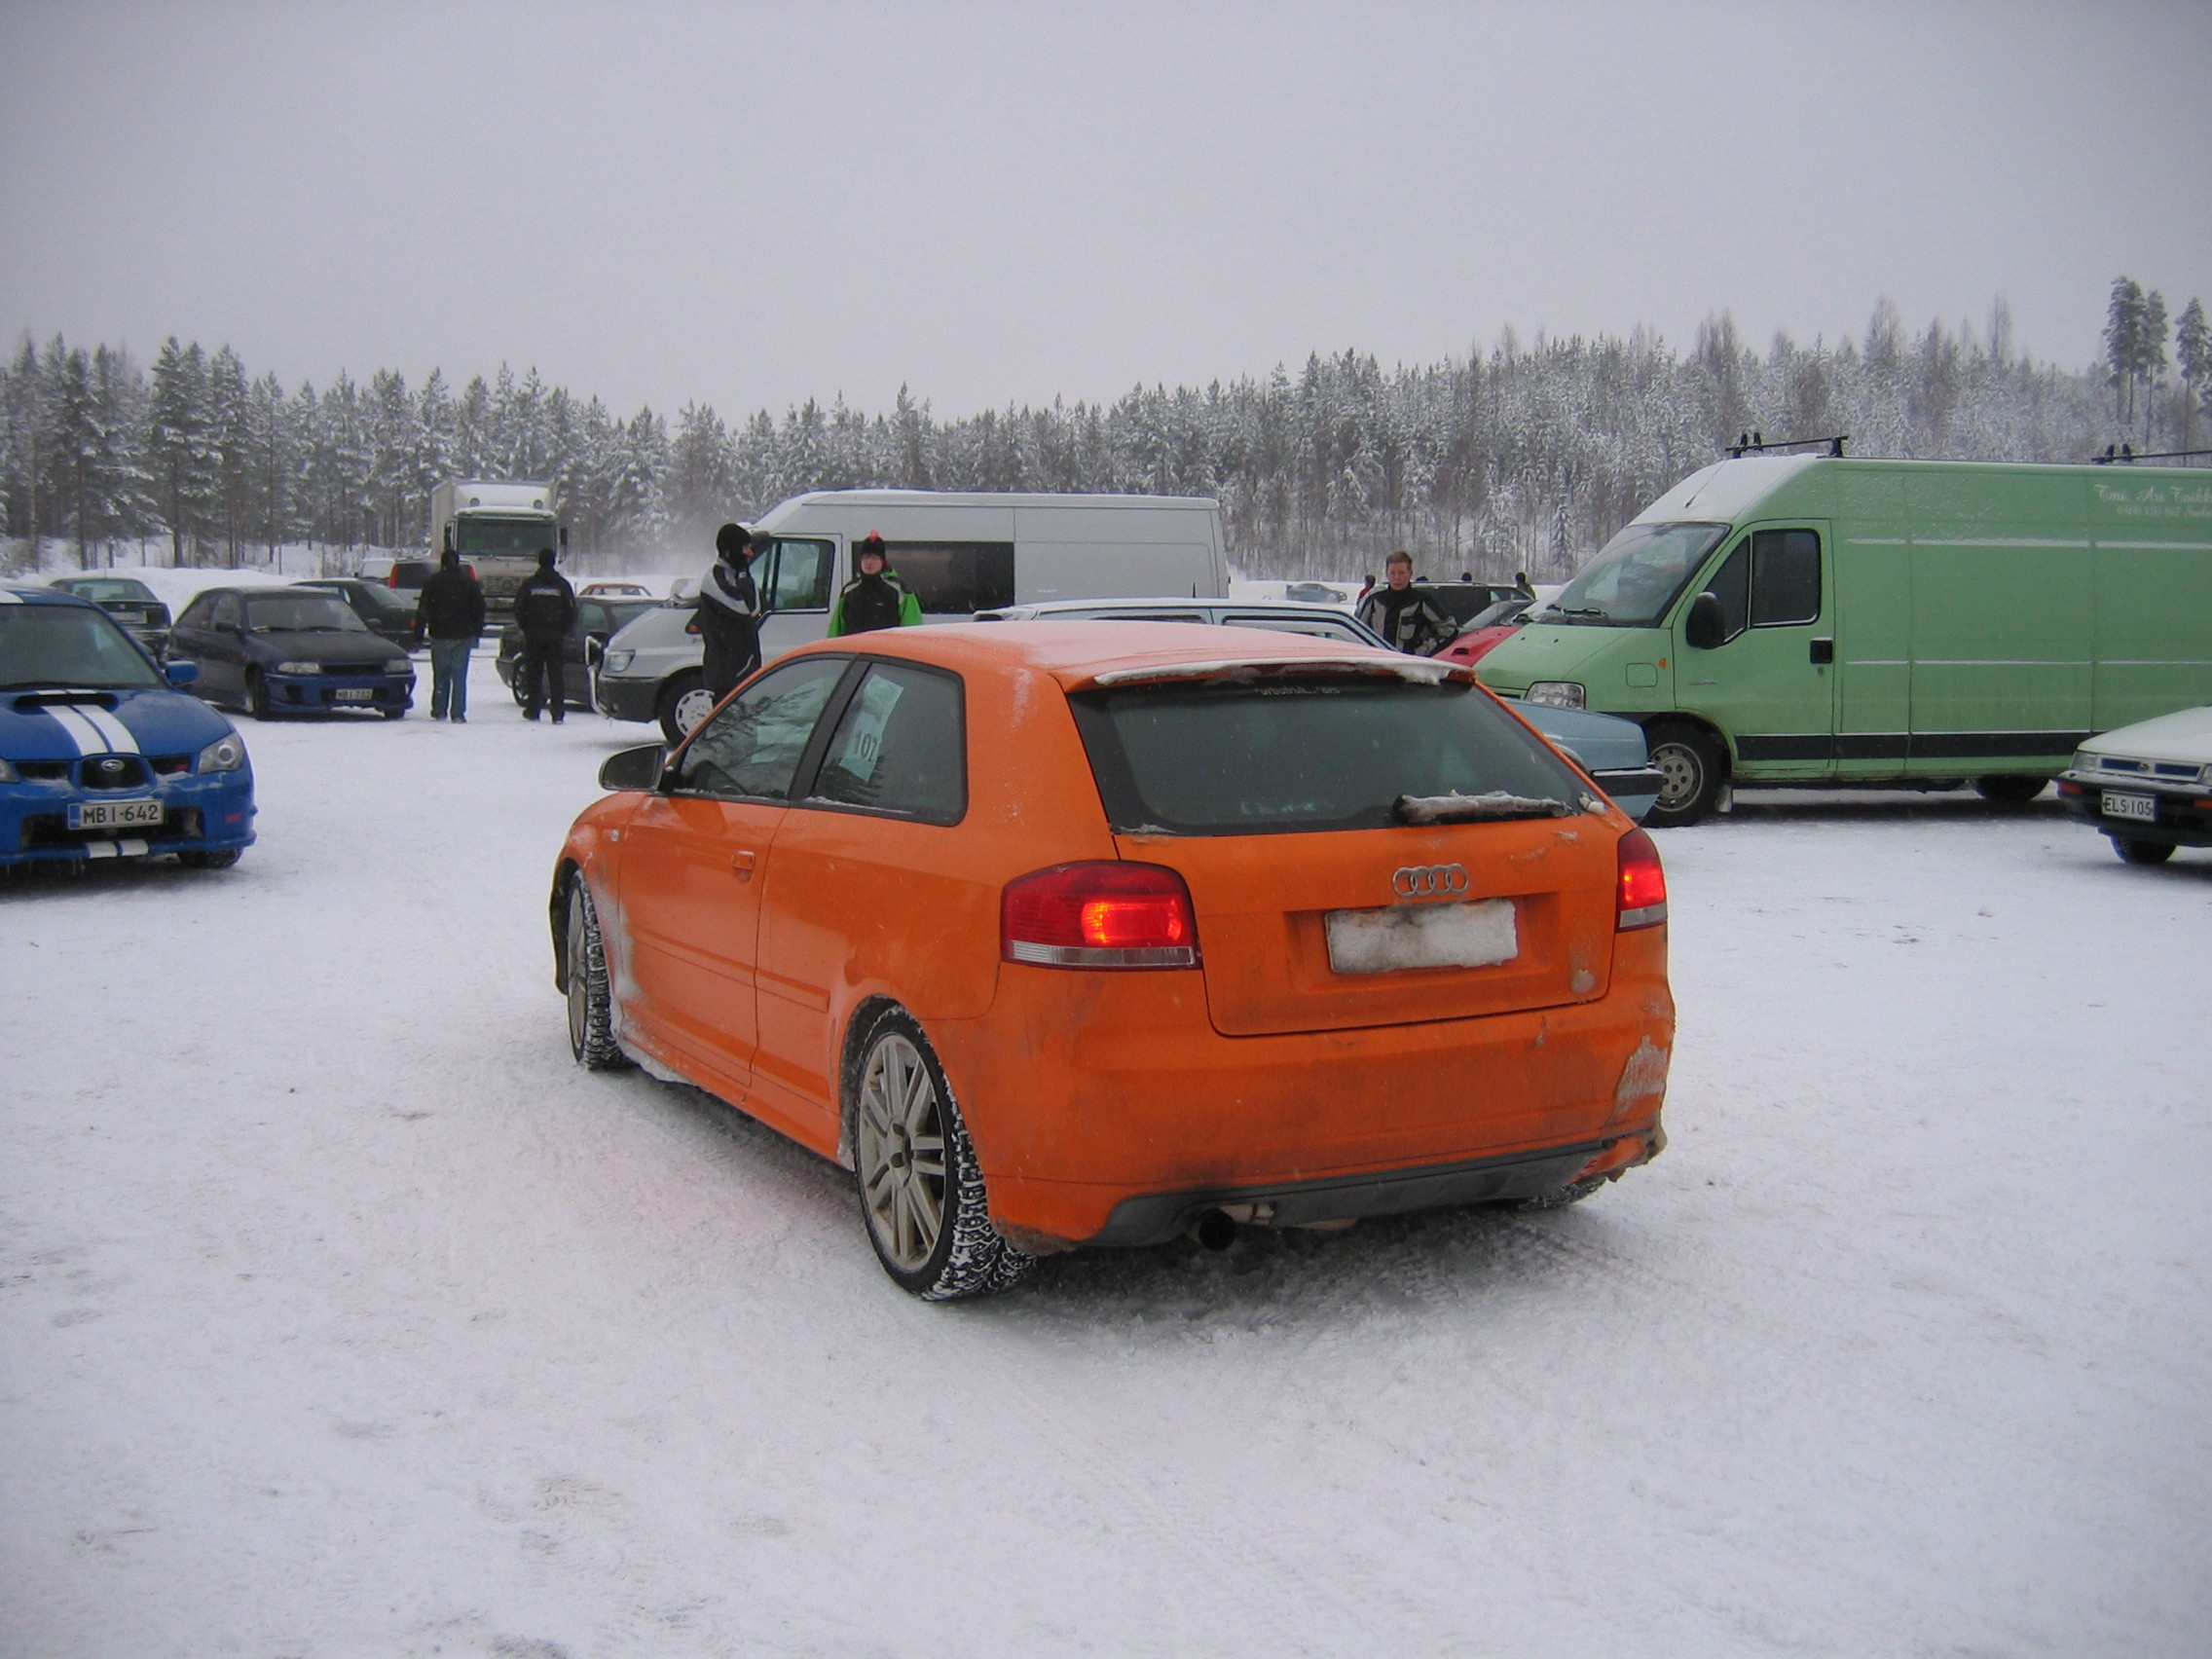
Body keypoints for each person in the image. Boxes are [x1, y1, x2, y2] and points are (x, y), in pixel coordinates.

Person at [412, 544, 486, 721]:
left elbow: (423, 609)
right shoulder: (468, 583)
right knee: (459, 676)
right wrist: (476, 630)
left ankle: (439, 709)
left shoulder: (433, 582)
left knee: (441, 674)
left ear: (442, 563)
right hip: (462, 634)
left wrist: (418, 633)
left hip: (439, 633)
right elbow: (479, 608)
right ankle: (458, 712)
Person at [698, 522, 765, 703]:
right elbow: (746, 609)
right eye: (744, 549)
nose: (750, 553)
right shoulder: (714, 580)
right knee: (728, 729)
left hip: (746, 671)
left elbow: (756, 607)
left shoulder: (738, 576)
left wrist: (743, 576)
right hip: (726, 677)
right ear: (729, 552)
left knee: (748, 729)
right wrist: (744, 575)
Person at [512, 548, 578, 721]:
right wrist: (562, 629)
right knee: (556, 675)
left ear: (539, 562)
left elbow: (519, 608)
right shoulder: (562, 585)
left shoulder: (530, 584)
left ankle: (533, 709)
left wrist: (526, 627)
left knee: (534, 674)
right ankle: (557, 712)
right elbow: (571, 611)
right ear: (553, 562)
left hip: (534, 636)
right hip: (555, 636)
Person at [1355, 549, 1455, 655]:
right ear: (1387, 574)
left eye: (1402, 573)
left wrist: (1421, 652)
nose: (1397, 578)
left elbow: (1449, 629)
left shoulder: (1422, 601)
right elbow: (1357, 632)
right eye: (1393, 573)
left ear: (1410, 573)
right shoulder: (1374, 601)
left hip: (1408, 667)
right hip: (1377, 665)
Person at [827, 533, 921, 636]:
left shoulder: (900, 590)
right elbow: (836, 630)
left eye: (874, 558)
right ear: (861, 560)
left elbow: (912, 629)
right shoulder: (849, 591)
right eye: (866, 557)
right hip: (855, 650)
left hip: (885, 650)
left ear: (882, 562)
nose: (869, 562)